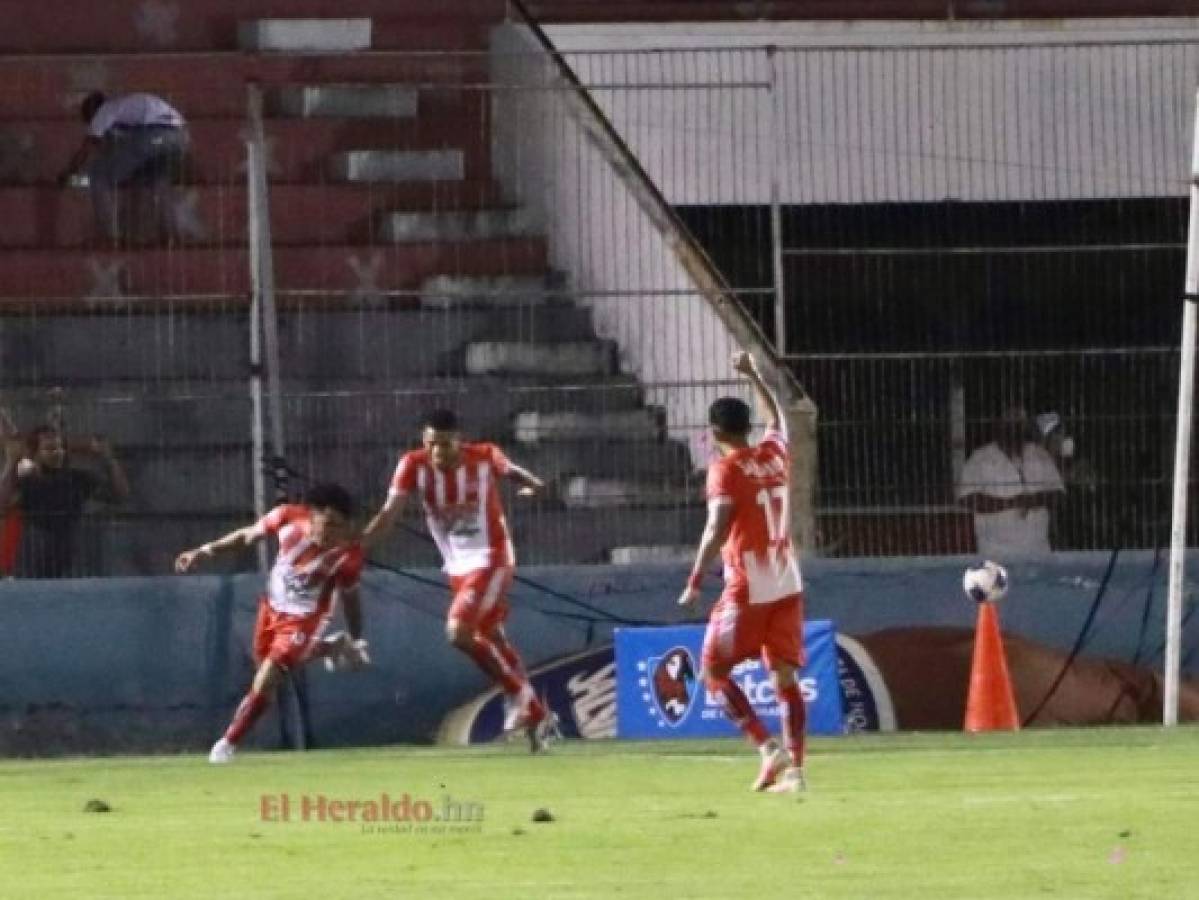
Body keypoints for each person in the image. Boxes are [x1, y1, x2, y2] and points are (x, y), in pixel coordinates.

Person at [363, 409, 556, 752]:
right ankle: (537, 717)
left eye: (446, 445)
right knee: (490, 635)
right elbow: (389, 513)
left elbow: (511, 472)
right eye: (432, 444)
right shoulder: (412, 465)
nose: (439, 452)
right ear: (425, 442)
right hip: (457, 566)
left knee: (459, 632)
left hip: (492, 558)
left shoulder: (483, 456)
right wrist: (358, 547)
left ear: (459, 442)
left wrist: (534, 485)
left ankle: (522, 699)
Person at [678, 351, 807, 795]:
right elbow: (779, 415)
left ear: (714, 434)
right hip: (787, 577)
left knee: (713, 672)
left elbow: (717, 526)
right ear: (747, 429)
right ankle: (796, 772)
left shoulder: (725, 470)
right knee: (785, 677)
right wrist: (754, 373)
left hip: (749, 583)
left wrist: (695, 578)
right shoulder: (774, 454)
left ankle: (767, 748)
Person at [176, 483, 369, 764]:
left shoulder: (347, 558)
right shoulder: (287, 518)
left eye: (340, 527)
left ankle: (227, 744)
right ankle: (329, 647)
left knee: (267, 677)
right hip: (272, 608)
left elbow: (352, 600)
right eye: (327, 524)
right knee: (264, 664)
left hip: (305, 619)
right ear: (311, 514)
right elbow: (247, 536)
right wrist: (205, 551)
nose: (332, 534)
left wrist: (358, 636)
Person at [57, 91, 189, 245]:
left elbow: (89, 147)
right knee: (156, 181)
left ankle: (110, 236)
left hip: (153, 134)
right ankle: (171, 235)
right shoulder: (124, 109)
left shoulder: (106, 110)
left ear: (92, 111)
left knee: (99, 177)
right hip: (180, 138)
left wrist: (69, 173)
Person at [0, 427, 130, 578]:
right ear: (35, 454)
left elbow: (120, 495)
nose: (58, 452)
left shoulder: (77, 479)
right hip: (35, 557)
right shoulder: (27, 482)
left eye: (61, 447)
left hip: (71, 555)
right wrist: (11, 462)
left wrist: (109, 459)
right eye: (50, 448)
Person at [957, 404, 1065, 558]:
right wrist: (1013, 502)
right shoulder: (980, 458)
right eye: (1010, 421)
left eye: (1020, 422)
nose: (1015, 426)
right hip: (995, 553)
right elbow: (967, 499)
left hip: (1038, 551)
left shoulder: (1040, 455)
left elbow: (1059, 494)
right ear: (999, 425)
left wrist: (1035, 500)